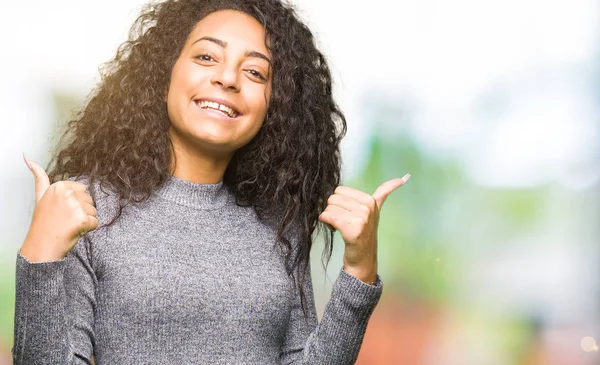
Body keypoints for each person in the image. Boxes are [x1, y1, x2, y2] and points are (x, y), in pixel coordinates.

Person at [13, 0, 410, 364]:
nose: (228, 78)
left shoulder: (279, 223)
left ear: (276, 103)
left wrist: (359, 271)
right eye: (206, 56)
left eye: (254, 71)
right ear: (164, 72)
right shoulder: (87, 210)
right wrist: (40, 256)